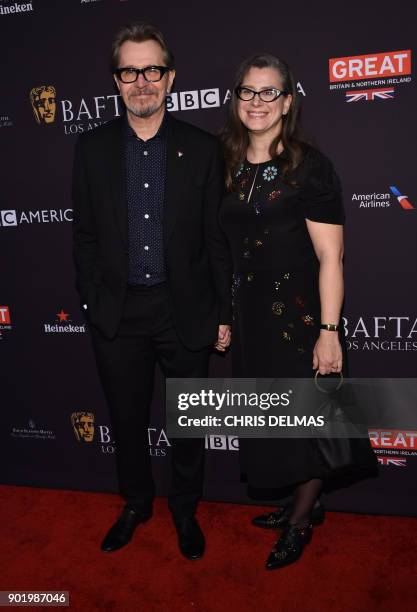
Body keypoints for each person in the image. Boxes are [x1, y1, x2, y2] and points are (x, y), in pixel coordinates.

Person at [72, 22, 232, 560]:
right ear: (117, 81)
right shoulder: (91, 149)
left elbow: (216, 240)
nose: (142, 81)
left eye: (152, 70)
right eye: (130, 71)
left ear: (170, 78)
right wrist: (94, 303)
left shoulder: (202, 149)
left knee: (187, 423)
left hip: (182, 310)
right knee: (126, 417)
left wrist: (222, 312)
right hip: (119, 314)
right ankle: (137, 502)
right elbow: (85, 236)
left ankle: (185, 508)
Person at [220, 54, 345, 569]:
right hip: (249, 316)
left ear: (287, 102)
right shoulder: (223, 163)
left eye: (269, 92)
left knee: (309, 422)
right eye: (248, 91)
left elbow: (330, 256)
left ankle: (300, 521)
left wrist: (329, 331)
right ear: (236, 100)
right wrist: (222, 315)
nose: (257, 102)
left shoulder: (309, 166)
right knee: (273, 418)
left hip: (297, 317)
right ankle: (300, 502)